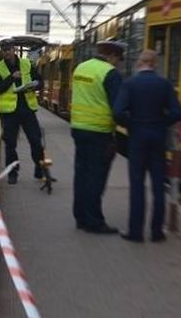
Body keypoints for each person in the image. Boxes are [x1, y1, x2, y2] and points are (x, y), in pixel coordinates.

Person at [114, 50, 181, 243]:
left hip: (137, 137)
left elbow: (118, 112)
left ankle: (136, 232)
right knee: (158, 185)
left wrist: (132, 124)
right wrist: (162, 122)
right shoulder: (164, 84)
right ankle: (157, 232)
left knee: (137, 184)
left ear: (139, 63)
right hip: (158, 137)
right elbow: (178, 112)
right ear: (155, 64)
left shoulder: (130, 83)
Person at [70, 40, 126, 234]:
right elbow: (118, 109)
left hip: (78, 129)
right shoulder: (110, 73)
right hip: (99, 132)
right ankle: (94, 221)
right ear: (112, 55)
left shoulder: (80, 68)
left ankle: (80, 217)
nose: (118, 63)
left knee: (81, 175)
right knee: (95, 178)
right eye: (118, 59)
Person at [0, 38, 45, 184]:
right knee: (10, 144)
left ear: (14, 50)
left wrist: (35, 85)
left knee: (36, 141)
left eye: (8, 49)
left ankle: (39, 168)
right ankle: (12, 173)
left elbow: (40, 81)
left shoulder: (27, 64)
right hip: (9, 113)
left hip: (27, 110)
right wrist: (10, 78)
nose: (6, 52)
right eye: (4, 50)